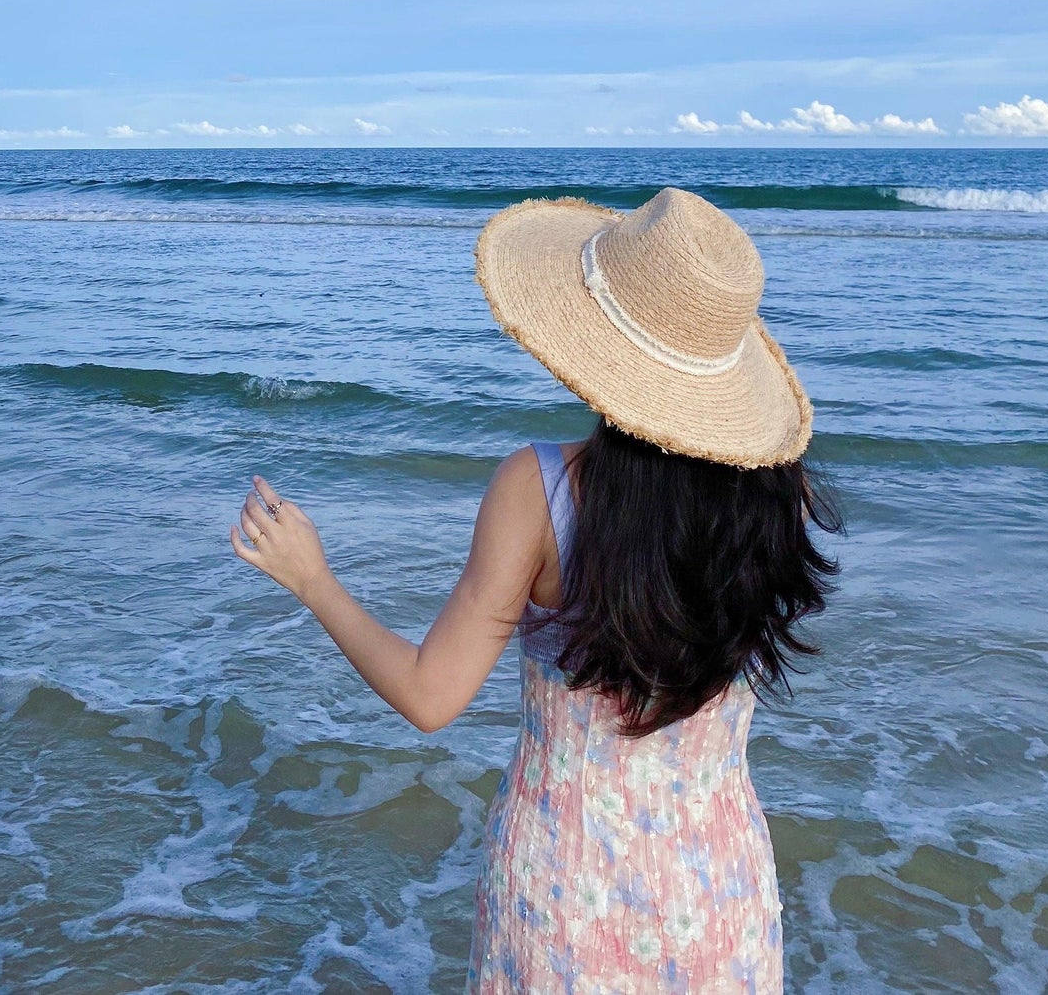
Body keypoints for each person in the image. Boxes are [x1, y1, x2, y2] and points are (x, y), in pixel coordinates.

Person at [229, 187, 841, 993]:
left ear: (595, 342)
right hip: (718, 887)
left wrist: (314, 580)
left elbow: (429, 696)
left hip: (564, 887)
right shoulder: (776, 495)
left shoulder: (539, 489)